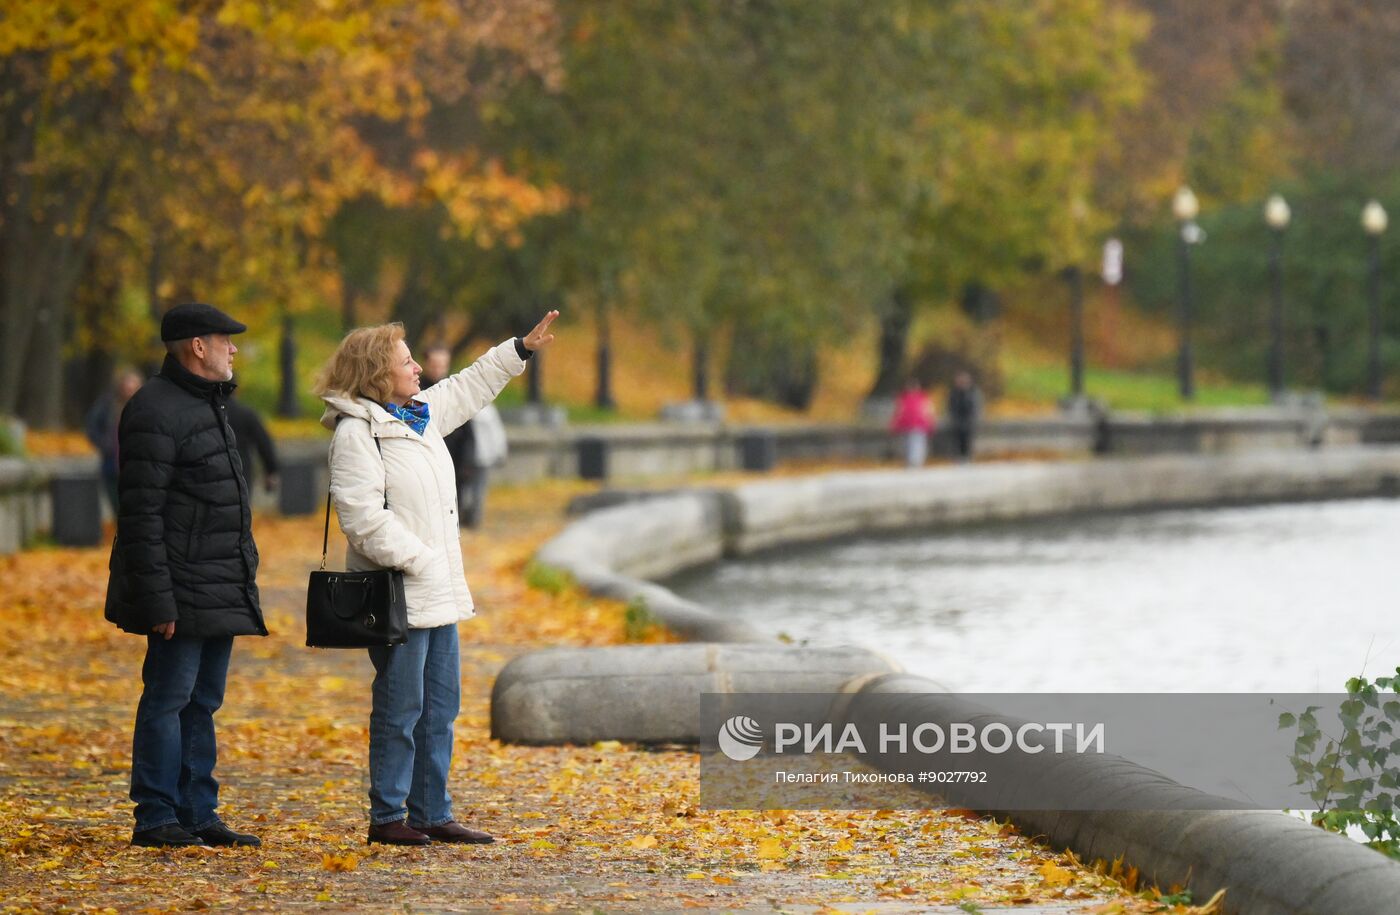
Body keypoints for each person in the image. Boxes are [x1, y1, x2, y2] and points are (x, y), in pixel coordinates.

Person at [315, 310, 558, 846]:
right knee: (400, 708)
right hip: (399, 594)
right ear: (377, 374)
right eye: (406, 362)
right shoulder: (357, 433)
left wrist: (518, 349)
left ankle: (430, 811)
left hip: (439, 596)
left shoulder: (418, 415)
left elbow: (469, 386)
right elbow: (361, 518)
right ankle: (387, 816)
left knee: (441, 707)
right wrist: (421, 560)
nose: (418, 368)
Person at [104, 302, 267, 849]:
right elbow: (141, 516)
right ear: (198, 346)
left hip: (217, 584)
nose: (234, 348)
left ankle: (198, 811)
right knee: (168, 700)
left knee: (203, 702)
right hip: (178, 588)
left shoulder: (209, 403)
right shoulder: (154, 409)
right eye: (226, 339)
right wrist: (158, 602)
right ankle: (156, 815)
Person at [84, 369, 144, 513]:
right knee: (117, 507)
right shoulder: (107, 405)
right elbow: (92, 426)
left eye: (133, 387)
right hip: (112, 466)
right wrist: (105, 444)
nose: (129, 391)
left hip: (139, 467)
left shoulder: (147, 406)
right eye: (127, 387)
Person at [225, 386, 280, 495]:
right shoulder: (246, 414)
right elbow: (264, 443)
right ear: (236, 390)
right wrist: (271, 470)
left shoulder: (207, 413)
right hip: (241, 470)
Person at [890, 378, 935, 468]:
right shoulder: (903, 398)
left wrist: (930, 422)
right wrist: (895, 423)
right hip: (906, 424)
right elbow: (898, 411)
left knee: (917, 444)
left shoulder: (922, 397)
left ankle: (916, 462)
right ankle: (909, 462)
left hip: (919, 425)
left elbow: (928, 411)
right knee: (906, 444)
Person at [946, 370, 983, 463]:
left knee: (968, 440)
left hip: (969, 422)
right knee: (957, 441)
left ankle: (967, 458)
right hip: (957, 422)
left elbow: (976, 407)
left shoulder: (973, 392)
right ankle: (958, 458)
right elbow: (951, 407)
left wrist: (973, 419)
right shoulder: (954, 393)